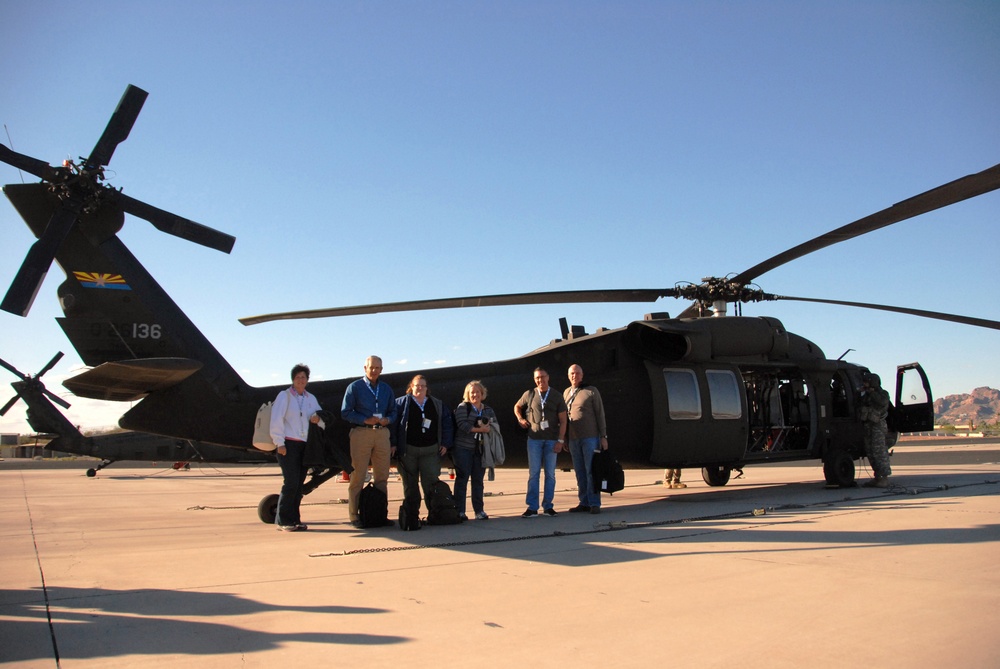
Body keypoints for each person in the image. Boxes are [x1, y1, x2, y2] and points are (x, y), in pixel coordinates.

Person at [341, 355, 397, 527]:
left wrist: (388, 419)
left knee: (382, 476)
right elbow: (345, 412)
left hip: (381, 434)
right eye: (371, 367)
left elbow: (394, 410)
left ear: (381, 370)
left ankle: (380, 514)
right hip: (362, 433)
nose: (374, 371)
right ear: (364, 368)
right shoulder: (355, 387)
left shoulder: (386, 389)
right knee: (358, 476)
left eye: (377, 368)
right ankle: (354, 516)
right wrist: (364, 419)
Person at [269, 363, 324, 532]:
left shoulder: (310, 399)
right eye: (298, 377)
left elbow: (321, 419)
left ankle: (295, 519)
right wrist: (279, 443)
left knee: (299, 484)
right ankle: (283, 520)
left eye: (304, 377)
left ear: (307, 380)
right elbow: (276, 419)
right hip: (288, 444)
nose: (301, 380)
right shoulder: (284, 396)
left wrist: (317, 420)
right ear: (293, 379)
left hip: (305, 445)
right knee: (291, 482)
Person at [392, 375, 454, 520]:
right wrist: (393, 443)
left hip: (430, 450)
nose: (419, 388)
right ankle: (412, 516)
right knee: (410, 484)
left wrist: (446, 443)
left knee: (431, 482)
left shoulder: (436, 404)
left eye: (422, 385)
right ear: (411, 387)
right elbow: (393, 425)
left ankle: (435, 514)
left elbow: (447, 423)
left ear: (427, 388)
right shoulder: (400, 403)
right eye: (416, 385)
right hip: (408, 451)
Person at [514, 367, 567, 517]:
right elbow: (517, 406)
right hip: (534, 440)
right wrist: (520, 419)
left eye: (543, 377)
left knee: (550, 474)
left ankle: (548, 506)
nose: (540, 380)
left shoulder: (556, 395)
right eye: (537, 378)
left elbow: (563, 421)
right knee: (534, 473)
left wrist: (560, 440)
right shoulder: (529, 394)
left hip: (551, 440)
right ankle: (532, 507)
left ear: (548, 377)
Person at [564, 364, 608, 514]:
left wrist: (603, 436)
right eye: (572, 374)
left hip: (590, 438)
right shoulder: (566, 393)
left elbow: (600, 414)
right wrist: (564, 438)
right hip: (573, 439)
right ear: (568, 376)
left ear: (582, 375)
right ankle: (584, 502)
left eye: (577, 373)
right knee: (579, 471)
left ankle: (594, 503)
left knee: (591, 471)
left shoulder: (591, 391)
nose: (574, 376)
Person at [453, 380, 496, 520]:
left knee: (478, 481)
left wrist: (488, 426)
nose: (475, 395)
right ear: (467, 394)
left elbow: (494, 424)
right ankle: (460, 511)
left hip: (480, 450)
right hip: (463, 449)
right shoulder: (462, 407)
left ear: (482, 393)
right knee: (462, 479)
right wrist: (480, 429)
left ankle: (479, 511)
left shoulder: (488, 410)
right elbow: (462, 425)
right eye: (472, 392)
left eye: (477, 392)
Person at [858, 371, 891, 488]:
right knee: (870, 452)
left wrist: (871, 392)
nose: (865, 384)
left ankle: (884, 477)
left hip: (877, 426)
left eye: (867, 382)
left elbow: (881, 402)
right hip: (868, 426)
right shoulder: (866, 395)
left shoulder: (882, 394)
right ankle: (877, 477)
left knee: (880, 451)